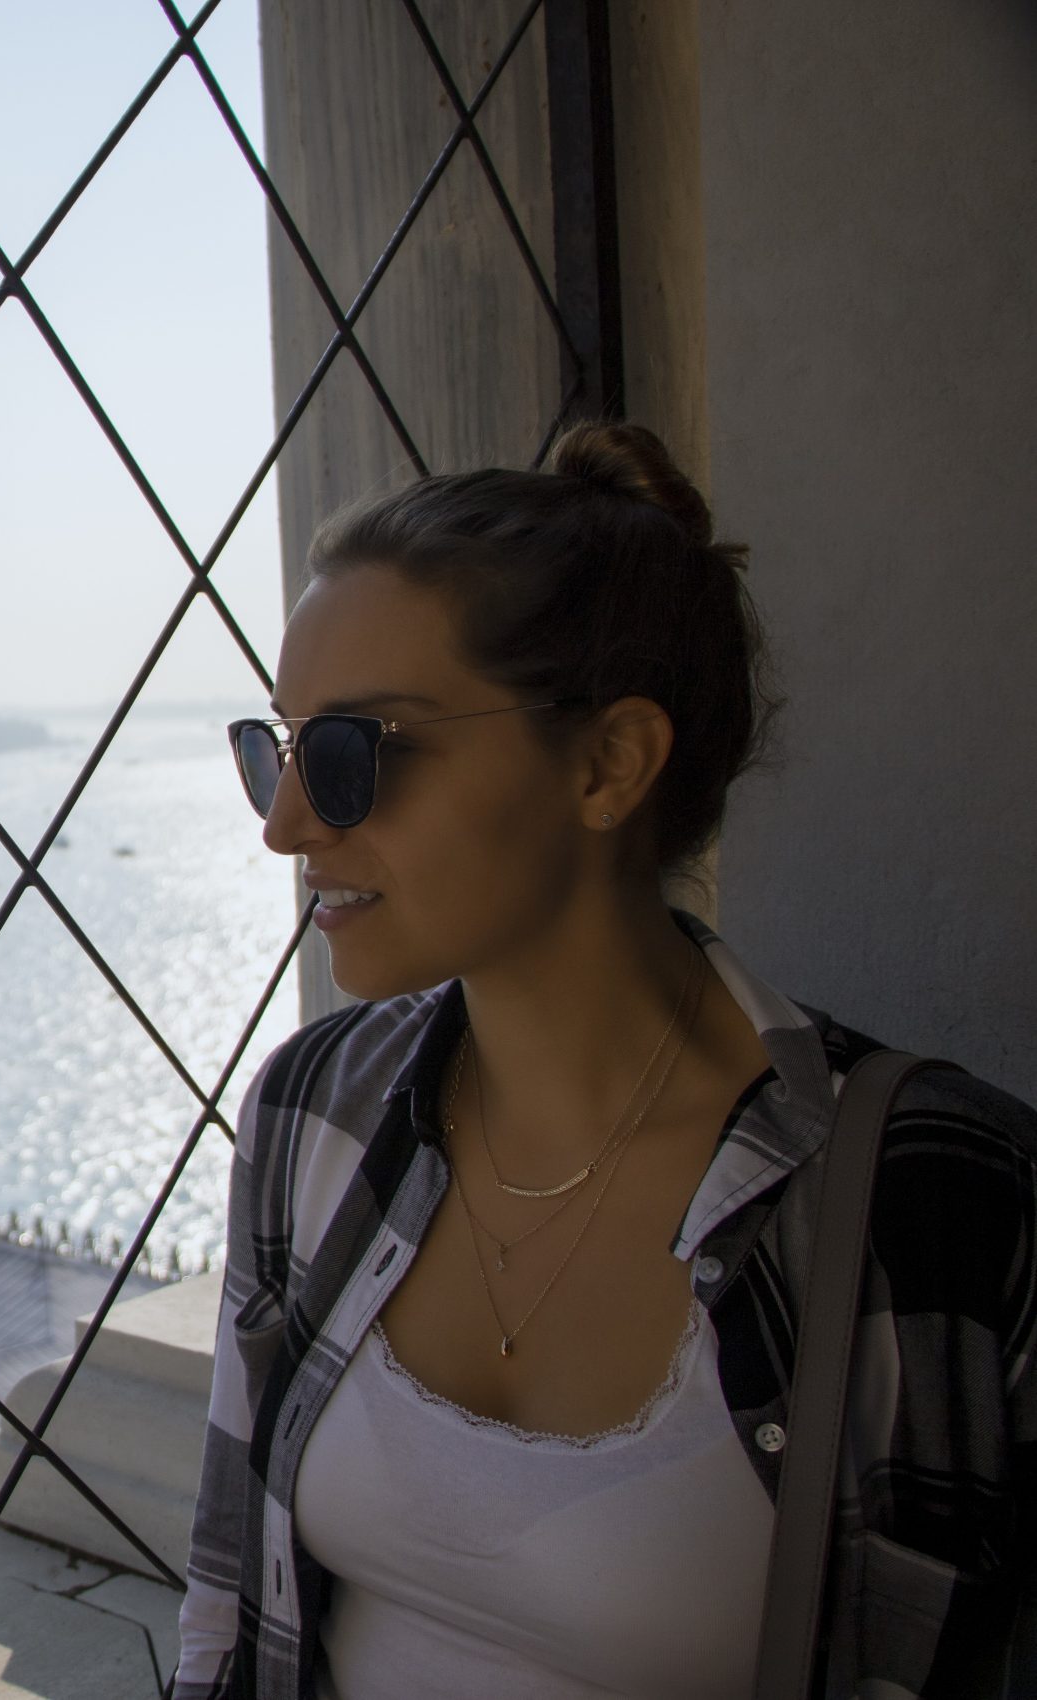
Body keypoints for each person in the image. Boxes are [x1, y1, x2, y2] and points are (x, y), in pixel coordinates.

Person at [168, 422, 1036, 1699]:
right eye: (276, 749)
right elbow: (227, 1599)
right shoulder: (315, 1110)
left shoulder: (938, 1199)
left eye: (352, 754)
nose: (285, 824)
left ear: (607, 762)